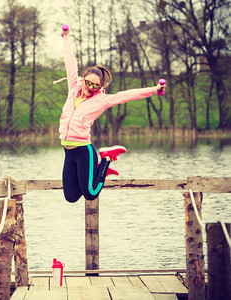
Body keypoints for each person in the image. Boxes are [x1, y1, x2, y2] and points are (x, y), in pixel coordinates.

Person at [58, 26, 166, 203]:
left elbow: (127, 95)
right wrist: (66, 38)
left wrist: (155, 89)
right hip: (67, 150)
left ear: (100, 87)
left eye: (96, 86)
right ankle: (101, 171)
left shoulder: (102, 100)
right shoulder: (73, 86)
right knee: (70, 197)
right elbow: (70, 62)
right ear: (83, 79)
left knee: (91, 193)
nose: (91, 88)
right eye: (88, 83)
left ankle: (105, 161)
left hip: (84, 150)